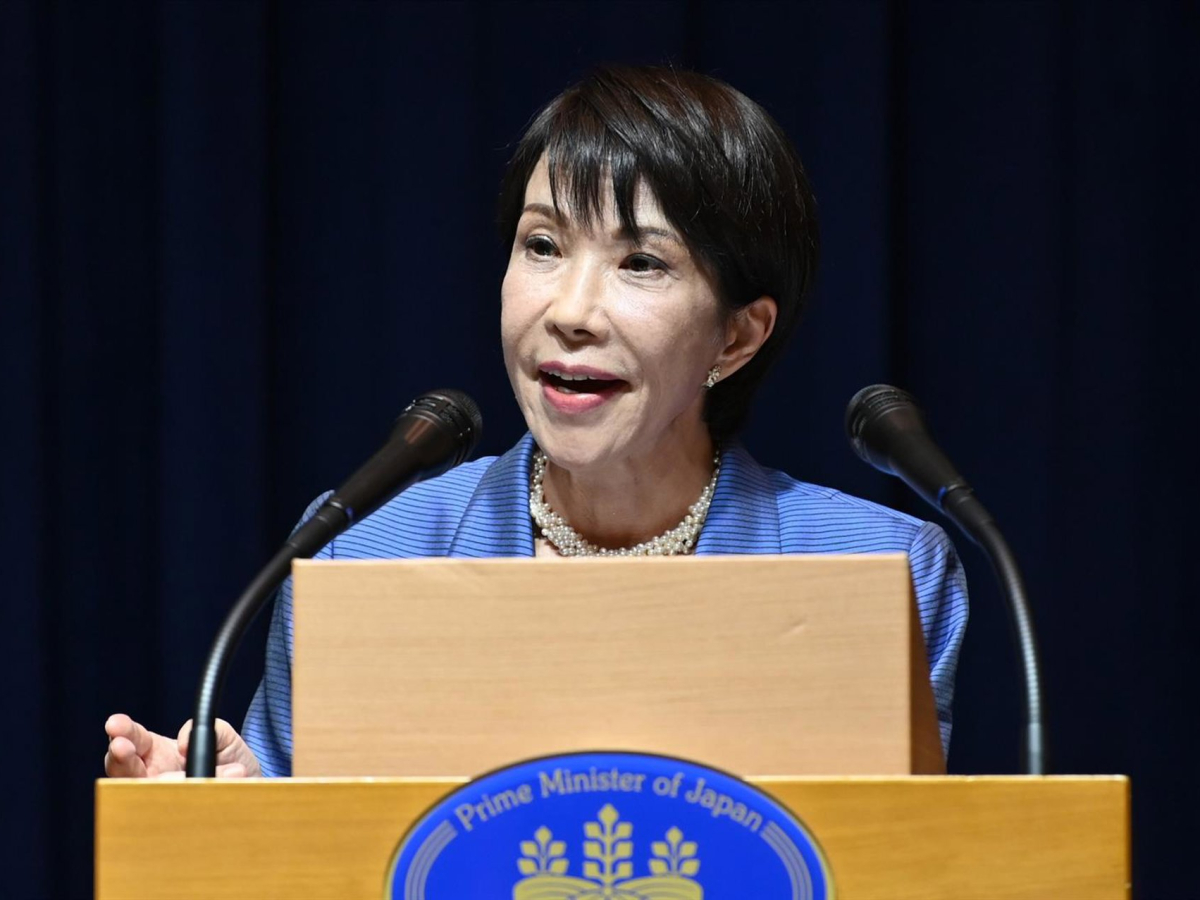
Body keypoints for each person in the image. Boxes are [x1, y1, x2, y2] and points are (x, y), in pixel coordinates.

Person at [105, 65, 968, 780]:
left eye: (640, 261)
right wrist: (238, 811)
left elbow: (895, 864)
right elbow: (308, 861)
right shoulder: (361, 554)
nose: (571, 311)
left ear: (737, 337)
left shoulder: (879, 573)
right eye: (543, 246)